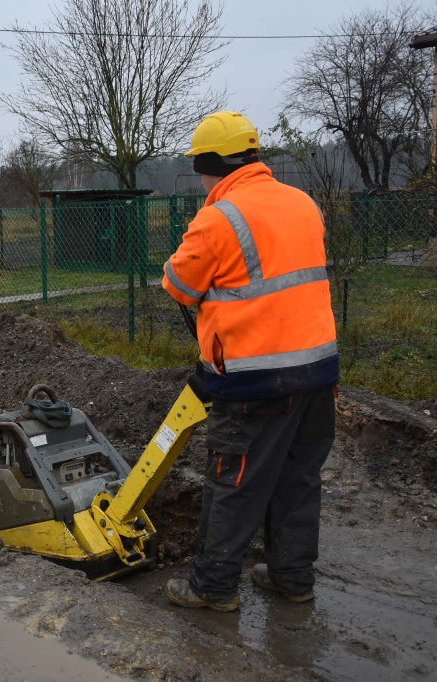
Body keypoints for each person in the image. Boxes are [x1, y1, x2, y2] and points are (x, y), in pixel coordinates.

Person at [161, 111, 339, 612]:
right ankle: (292, 577)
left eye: (200, 167)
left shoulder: (220, 217)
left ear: (210, 162)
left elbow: (178, 284)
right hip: (319, 372)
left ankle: (213, 587)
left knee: (233, 481)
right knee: (298, 478)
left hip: (255, 380)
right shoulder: (304, 204)